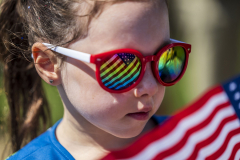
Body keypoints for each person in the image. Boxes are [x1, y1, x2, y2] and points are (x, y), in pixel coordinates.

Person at [0, 0, 191, 159]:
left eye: (168, 57)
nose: (150, 87)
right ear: (48, 64)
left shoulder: (195, 139)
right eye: (121, 65)